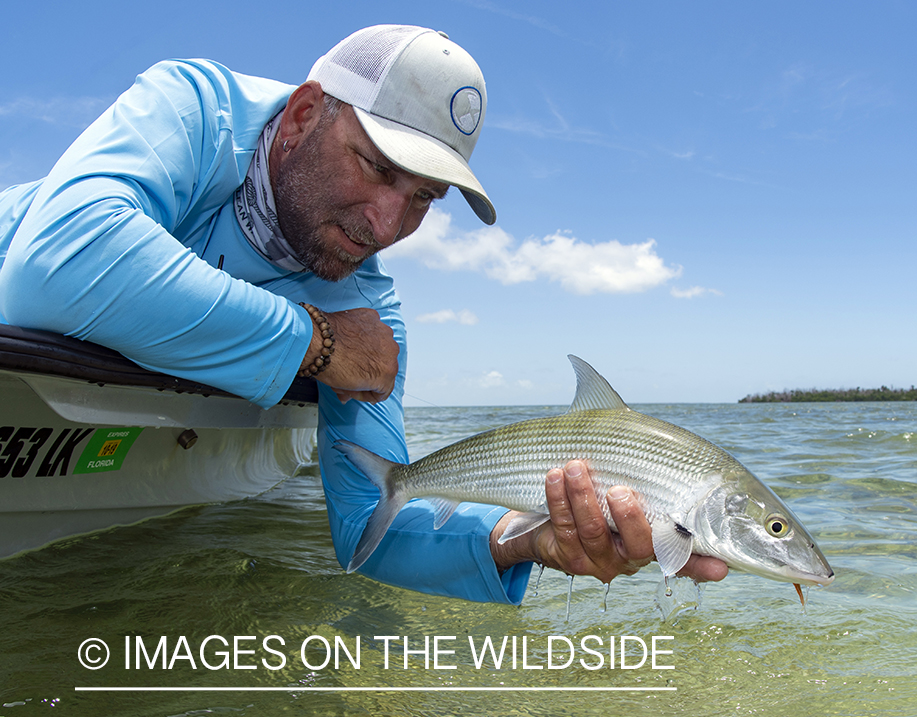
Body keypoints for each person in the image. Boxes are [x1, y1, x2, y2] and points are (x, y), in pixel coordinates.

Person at [0, 25, 726, 601]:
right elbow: (56, 265)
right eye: (376, 167)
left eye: (422, 199)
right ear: (306, 113)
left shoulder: (371, 314)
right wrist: (316, 348)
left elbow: (370, 528)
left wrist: (530, 541)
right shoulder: (194, 108)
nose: (386, 224)